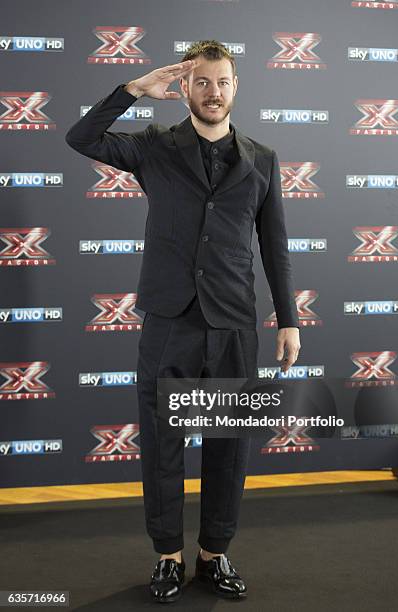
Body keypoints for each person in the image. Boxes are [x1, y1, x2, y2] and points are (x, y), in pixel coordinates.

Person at [65, 40, 301, 604]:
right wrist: (132, 91)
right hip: (170, 320)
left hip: (233, 326)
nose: (211, 92)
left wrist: (288, 318)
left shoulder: (262, 158)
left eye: (221, 81)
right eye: (200, 82)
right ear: (186, 88)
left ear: (235, 86)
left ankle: (214, 555)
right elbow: (82, 138)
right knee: (163, 442)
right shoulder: (155, 147)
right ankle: (168, 556)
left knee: (228, 445)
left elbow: (275, 246)